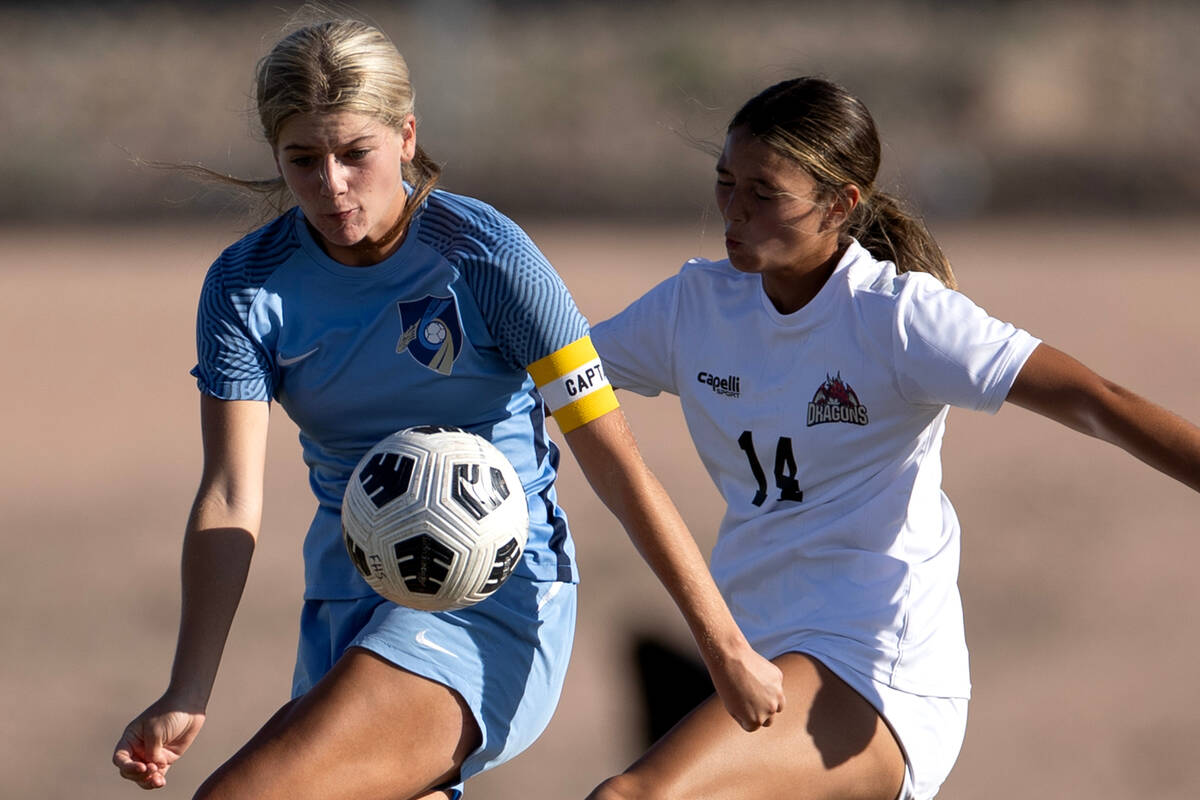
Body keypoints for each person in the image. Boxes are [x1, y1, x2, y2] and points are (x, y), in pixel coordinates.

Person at [111, 15, 785, 800]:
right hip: (344, 609)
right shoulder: (244, 287)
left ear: (405, 135)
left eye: (354, 153)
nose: (330, 184)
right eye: (303, 159)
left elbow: (615, 459)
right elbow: (229, 494)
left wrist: (724, 647)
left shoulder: (490, 257)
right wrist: (188, 689)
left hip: (493, 601)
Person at [587, 76, 1200, 800]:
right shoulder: (696, 306)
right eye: (726, 183)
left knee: (633, 796)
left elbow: (1101, 401)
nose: (735, 211)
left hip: (875, 668)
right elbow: (549, 374)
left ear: (840, 205)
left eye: (764, 193)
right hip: (755, 652)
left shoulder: (899, 320)